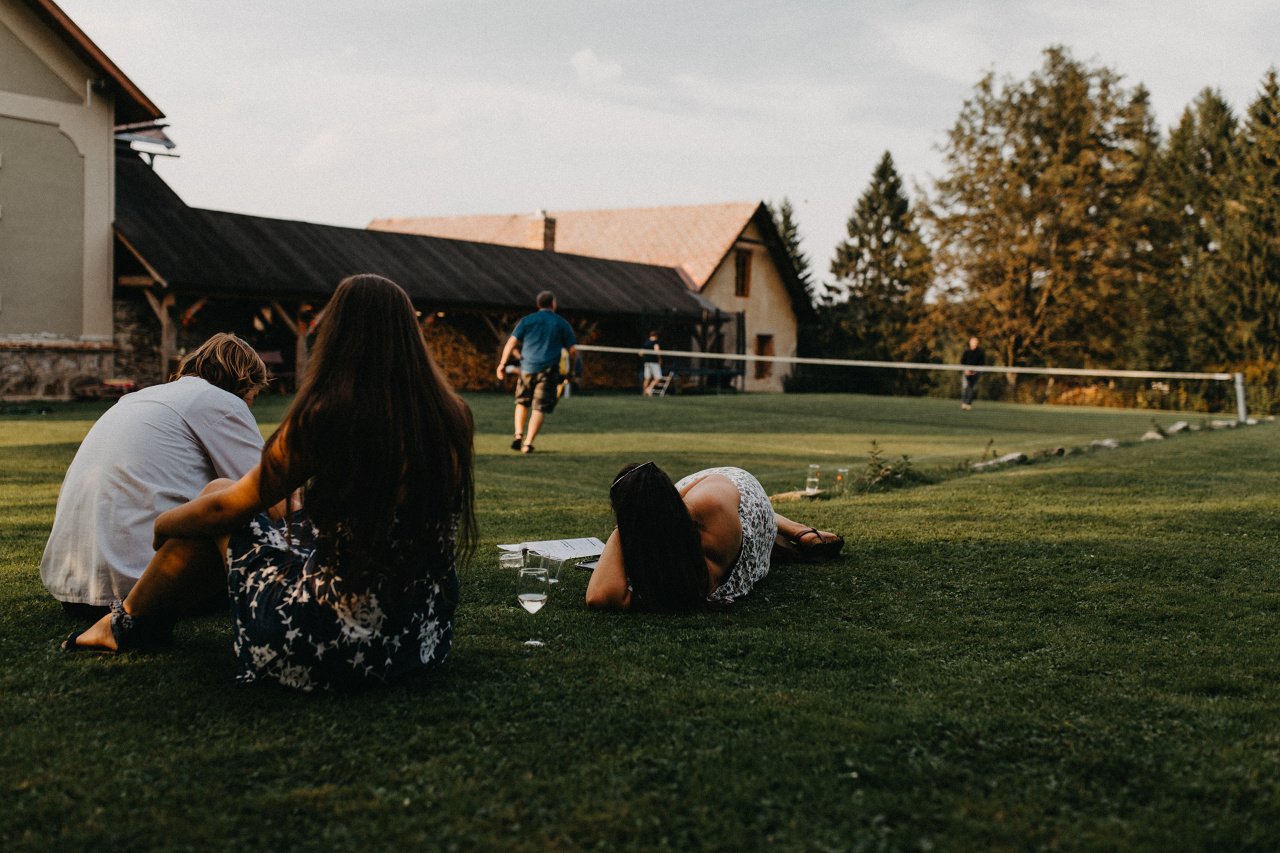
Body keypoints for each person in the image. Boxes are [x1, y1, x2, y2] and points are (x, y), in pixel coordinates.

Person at [62, 274, 477, 695]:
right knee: (220, 488)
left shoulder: (325, 416)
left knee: (216, 493)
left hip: (332, 643)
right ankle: (129, 621)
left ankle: (125, 623)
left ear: (337, 338)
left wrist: (164, 524)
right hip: (420, 638)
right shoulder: (453, 415)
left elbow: (230, 509)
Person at [40, 333, 269, 621]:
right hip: (140, 588)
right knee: (236, 510)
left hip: (73, 591)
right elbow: (270, 495)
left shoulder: (138, 398)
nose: (250, 408)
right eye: (253, 397)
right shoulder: (221, 402)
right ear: (244, 383)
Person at [585, 462, 844, 613]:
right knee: (739, 517)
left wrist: (624, 526)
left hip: (737, 495)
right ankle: (797, 533)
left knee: (729, 508)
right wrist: (669, 499)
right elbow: (707, 484)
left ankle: (793, 530)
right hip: (740, 516)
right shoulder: (704, 522)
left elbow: (599, 595)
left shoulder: (675, 580)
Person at [495, 290, 577, 453]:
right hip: (548, 370)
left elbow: (511, 343)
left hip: (526, 368)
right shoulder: (561, 323)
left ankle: (518, 434)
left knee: (522, 402)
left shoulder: (527, 321)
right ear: (553, 304)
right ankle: (527, 443)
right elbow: (573, 350)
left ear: (538, 305)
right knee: (539, 407)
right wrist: (571, 370)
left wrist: (502, 364)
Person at [960, 336, 985, 410]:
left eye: (976, 342)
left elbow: (982, 364)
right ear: (970, 343)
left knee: (974, 389)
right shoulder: (966, 351)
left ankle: (968, 403)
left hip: (975, 373)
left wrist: (976, 372)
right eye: (974, 342)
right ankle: (964, 403)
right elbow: (962, 362)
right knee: (965, 387)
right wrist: (966, 370)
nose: (975, 344)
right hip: (966, 372)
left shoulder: (980, 352)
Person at [640, 331, 663, 395]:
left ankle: (644, 393)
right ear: (656, 336)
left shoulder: (645, 343)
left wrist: (647, 357)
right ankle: (649, 389)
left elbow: (640, 353)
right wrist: (659, 359)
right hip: (654, 362)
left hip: (647, 362)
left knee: (647, 378)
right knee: (658, 378)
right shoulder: (656, 342)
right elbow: (657, 351)